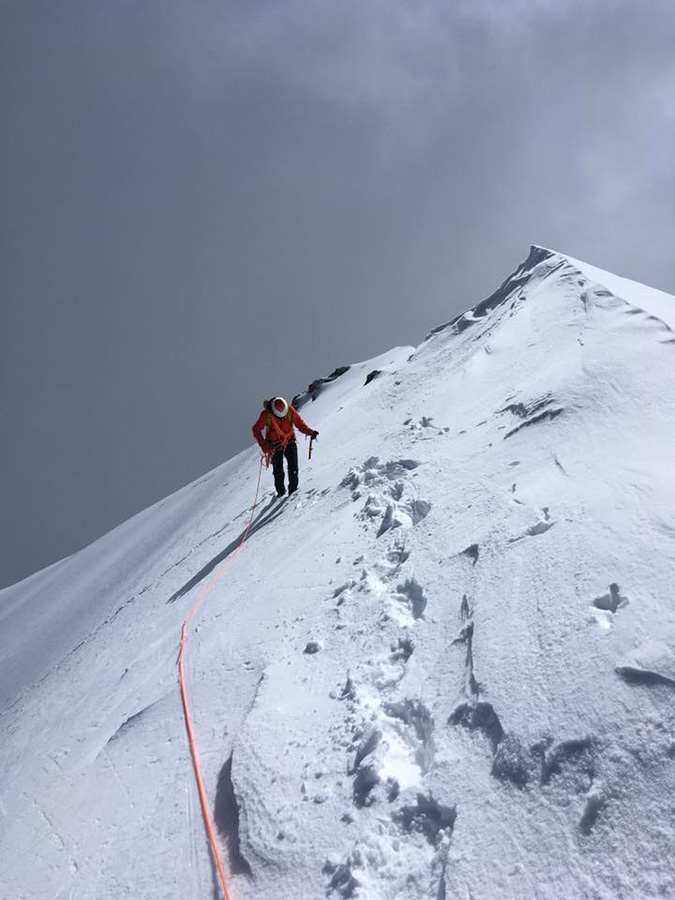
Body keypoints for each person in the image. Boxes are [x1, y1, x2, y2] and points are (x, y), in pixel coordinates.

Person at [252, 397, 319, 497]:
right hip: (274, 445)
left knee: (293, 466)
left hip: (289, 441)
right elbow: (256, 429)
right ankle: (281, 492)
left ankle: (293, 490)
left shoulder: (290, 410)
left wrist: (310, 432)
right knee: (278, 470)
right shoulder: (266, 415)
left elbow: (300, 424)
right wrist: (265, 446)